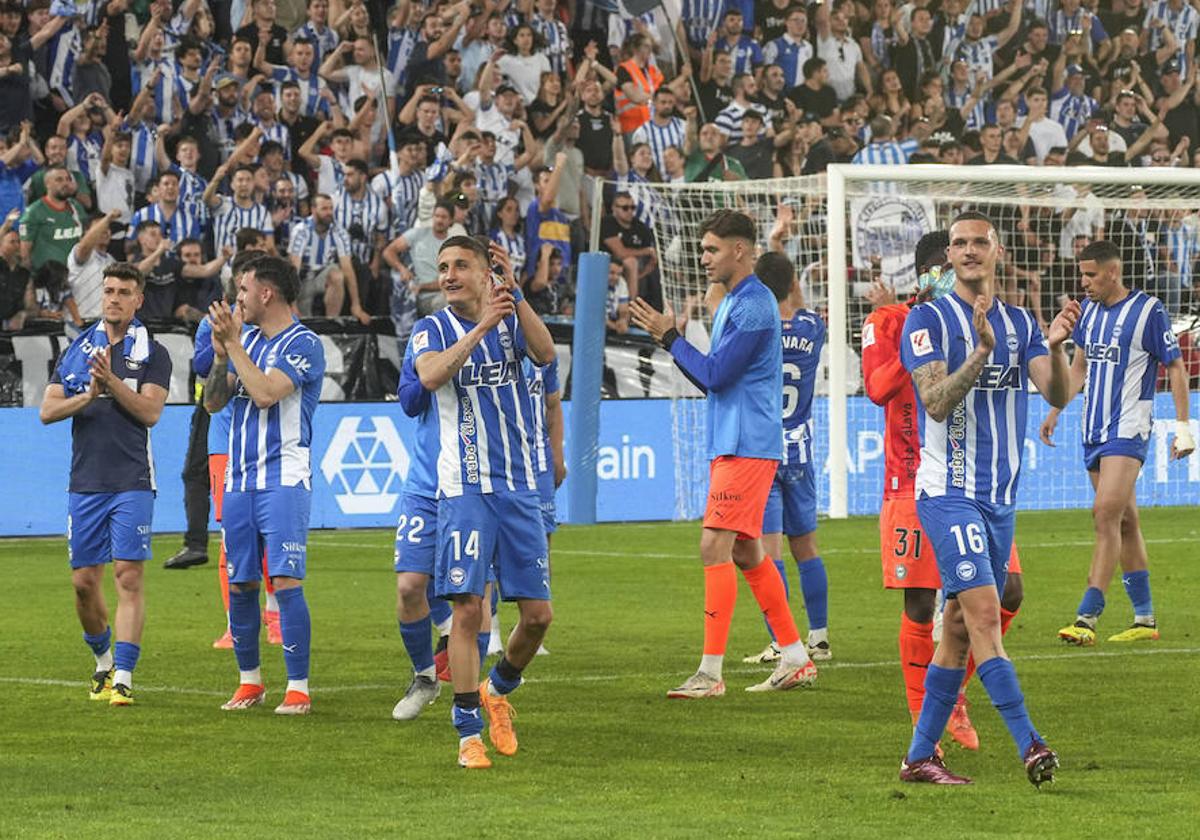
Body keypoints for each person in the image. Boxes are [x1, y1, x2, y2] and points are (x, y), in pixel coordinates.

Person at [897, 211, 1080, 786]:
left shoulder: (1022, 321)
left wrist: (1055, 346)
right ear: (947, 257)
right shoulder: (926, 319)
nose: (970, 251)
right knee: (982, 616)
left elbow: (1056, 391)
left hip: (1000, 498)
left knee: (955, 628)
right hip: (947, 492)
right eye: (959, 244)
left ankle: (919, 758)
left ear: (996, 252)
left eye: (979, 242)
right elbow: (933, 402)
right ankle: (1031, 744)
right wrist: (979, 353)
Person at [629, 209, 817, 698]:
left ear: (740, 249)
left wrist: (670, 336)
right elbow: (715, 378)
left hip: (748, 443)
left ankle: (710, 673)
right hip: (736, 440)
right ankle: (796, 657)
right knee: (745, 549)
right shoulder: (740, 301)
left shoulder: (754, 304)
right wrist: (670, 338)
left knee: (713, 544)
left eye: (712, 249)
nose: (704, 257)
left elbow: (716, 376)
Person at [863, 232, 1026, 753]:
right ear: (925, 272)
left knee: (1007, 593)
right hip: (912, 477)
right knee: (920, 604)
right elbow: (877, 389)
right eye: (939, 265)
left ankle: (951, 689)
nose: (951, 271)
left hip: (975, 479)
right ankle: (925, 727)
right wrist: (919, 330)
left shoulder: (982, 318)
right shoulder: (889, 320)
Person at [409, 235, 556, 769]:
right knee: (469, 609)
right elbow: (428, 376)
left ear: (485, 272)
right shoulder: (432, 329)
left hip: (519, 487)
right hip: (464, 489)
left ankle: (498, 691)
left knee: (538, 617)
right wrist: (481, 328)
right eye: (443, 266)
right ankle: (467, 732)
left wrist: (515, 296)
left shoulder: (513, 314)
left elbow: (545, 354)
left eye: (460, 266)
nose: (448, 275)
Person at [1041, 240, 1195, 646]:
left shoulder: (1148, 310)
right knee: (1126, 521)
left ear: (1113, 272)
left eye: (1091, 275)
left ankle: (1086, 617)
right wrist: (1057, 409)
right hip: (1092, 429)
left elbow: (1176, 367)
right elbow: (1079, 369)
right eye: (1082, 274)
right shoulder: (1087, 313)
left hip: (1128, 429)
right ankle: (1144, 620)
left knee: (1104, 516)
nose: (1084, 282)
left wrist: (1184, 426)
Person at [39, 262, 171, 706]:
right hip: (86, 481)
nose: (113, 298)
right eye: (109, 290)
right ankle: (102, 660)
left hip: (132, 478)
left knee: (128, 576)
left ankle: (125, 677)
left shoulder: (153, 351)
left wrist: (111, 382)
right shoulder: (77, 348)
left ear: (139, 299)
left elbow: (151, 412)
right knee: (83, 583)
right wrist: (88, 396)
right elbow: (47, 410)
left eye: (123, 292)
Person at [203, 256, 326, 716]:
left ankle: (298, 687)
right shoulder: (245, 340)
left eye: (242, 291)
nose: (237, 300)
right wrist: (222, 354)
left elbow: (266, 392)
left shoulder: (305, 344)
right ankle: (249, 681)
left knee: (286, 579)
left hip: (284, 478)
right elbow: (215, 403)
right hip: (238, 478)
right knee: (240, 584)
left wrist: (232, 345)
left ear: (266, 293)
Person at [738, 251, 830, 666]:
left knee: (769, 554)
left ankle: (782, 642)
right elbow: (802, 305)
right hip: (802, 451)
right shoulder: (813, 327)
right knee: (806, 547)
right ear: (794, 285)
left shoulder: (759, 329)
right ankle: (820, 637)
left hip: (766, 452)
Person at [195, 253, 281, 649]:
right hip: (224, 446)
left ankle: (276, 618)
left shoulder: (275, 332)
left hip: (266, 447)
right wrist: (223, 343)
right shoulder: (214, 323)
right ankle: (235, 624)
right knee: (232, 539)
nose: (244, 292)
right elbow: (200, 366)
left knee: (274, 537)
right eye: (241, 284)